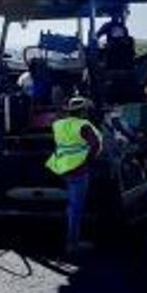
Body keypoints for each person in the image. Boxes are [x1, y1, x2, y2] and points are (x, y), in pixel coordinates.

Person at [45, 96, 103, 255]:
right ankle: (72, 244)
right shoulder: (84, 126)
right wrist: (88, 160)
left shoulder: (58, 125)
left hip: (62, 168)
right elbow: (96, 145)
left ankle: (69, 236)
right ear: (83, 111)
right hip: (79, 170)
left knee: (71, 205)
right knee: (76, 208)